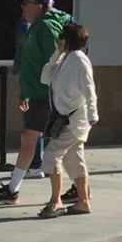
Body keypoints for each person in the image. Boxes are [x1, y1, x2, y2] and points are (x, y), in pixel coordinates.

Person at [0, 0, 71, 203]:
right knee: (38, 141)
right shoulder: (35, 27)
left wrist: (53, 95)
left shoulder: (45, 27)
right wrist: (24, 93)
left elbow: (56, 60)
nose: (22, 7)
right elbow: (30, 64)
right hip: (38, 95)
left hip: (47, 96)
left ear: (39, 6)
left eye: (26, 3)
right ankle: (13, 190)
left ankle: (70, 193)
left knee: (55, 146)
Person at [38, 21, 99, 216]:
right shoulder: (65, 59)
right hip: (65, 118)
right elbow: (45, 77)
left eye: (61, 38)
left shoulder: (80, 61)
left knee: (52, 155)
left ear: (69, 40)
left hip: (74, 120)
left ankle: (55, 201)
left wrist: (92, 113)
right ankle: (83, 202)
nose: (58, 41)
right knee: (74, 159)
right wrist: (57, 53)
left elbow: (90, 90)